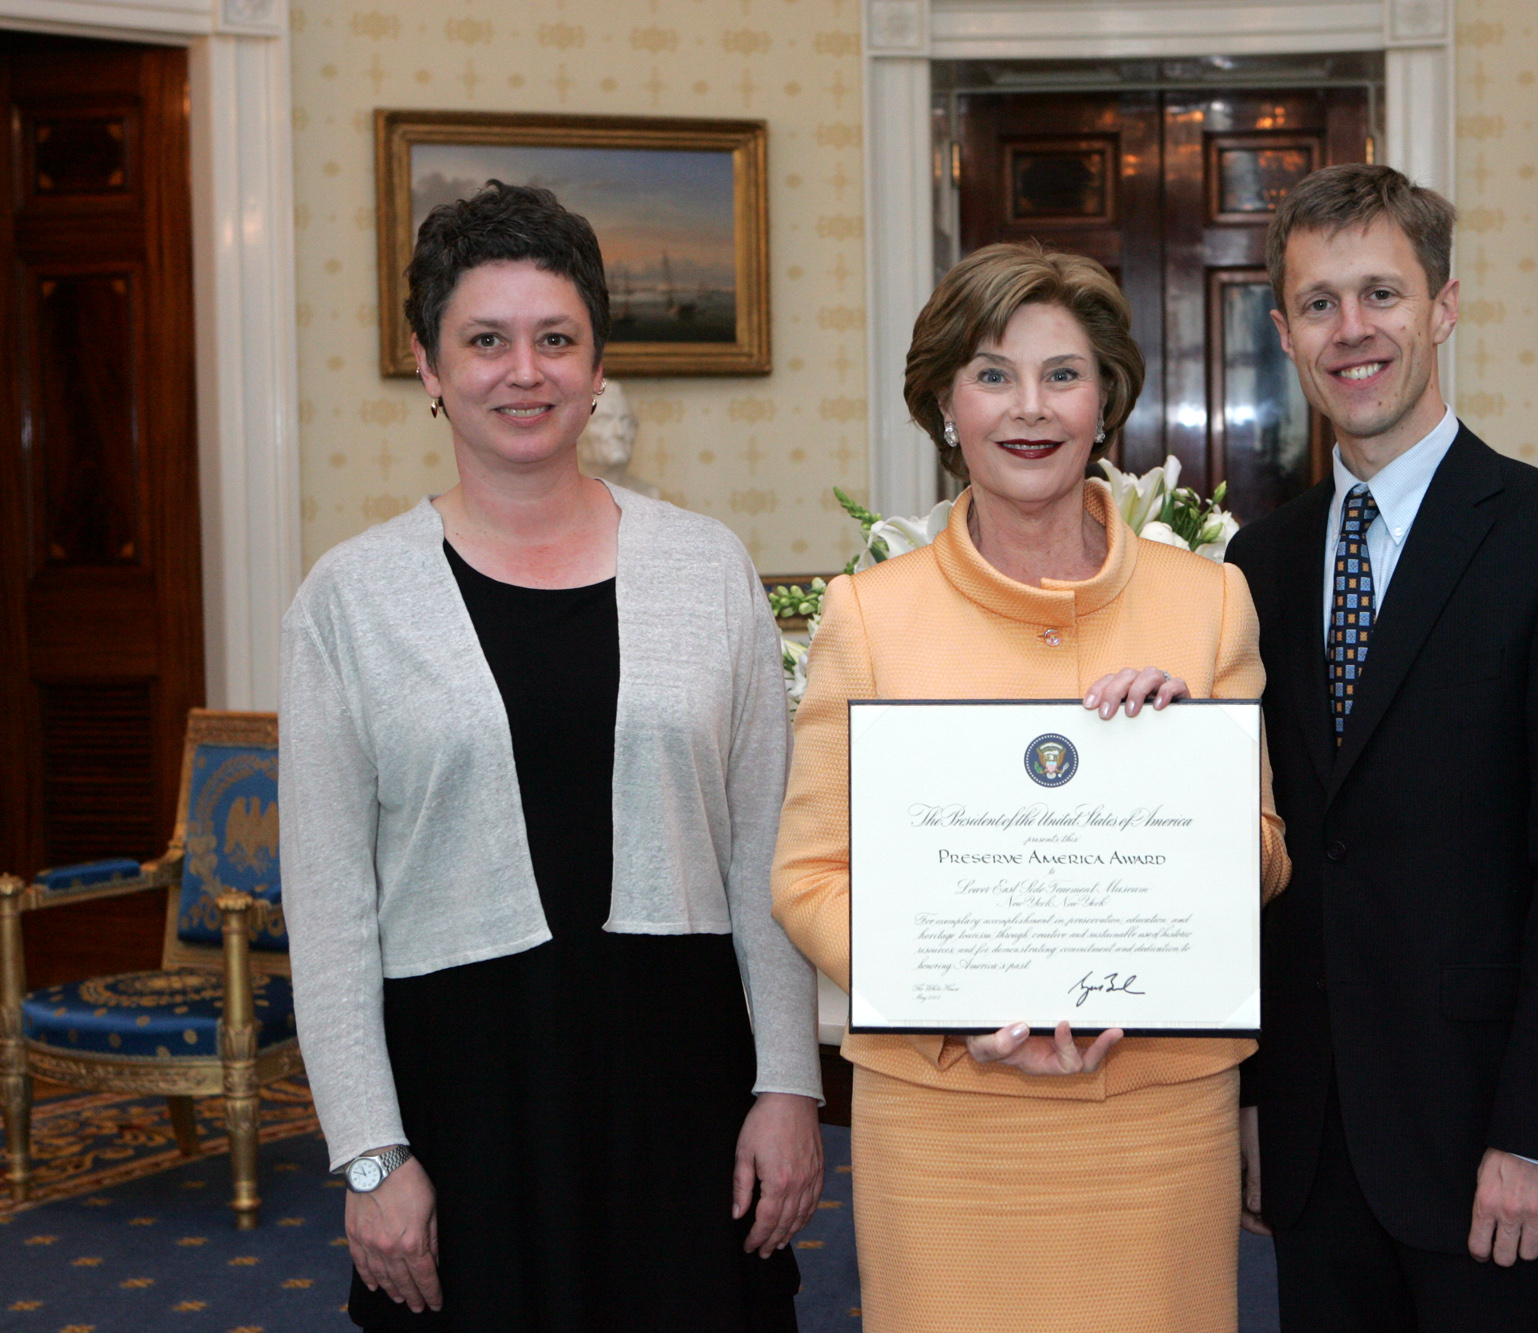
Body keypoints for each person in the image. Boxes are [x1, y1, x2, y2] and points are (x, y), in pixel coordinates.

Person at [281, 181, 823, 1332]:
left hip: (681, 1086)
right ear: (429, 367)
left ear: (595, 363)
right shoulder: (349, 597)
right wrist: (370, 1156)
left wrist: (787, 1083)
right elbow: (328, 907)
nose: (522, 371)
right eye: (484, 340)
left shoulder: (708, 564)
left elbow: (766, 846)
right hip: (463, 1095)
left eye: (554, 339)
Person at [771, 242, 1290, 1331]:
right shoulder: (871, 615)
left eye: (1062, 374)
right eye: (992, 374)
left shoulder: (1208, 603)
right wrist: (955, 994)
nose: (1030, 408)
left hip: (1155, 1115)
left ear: (1105, 400)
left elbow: (1266, 855)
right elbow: (811, 877)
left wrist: (1181, 761)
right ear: (944, 404)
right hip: (946, 1115)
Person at [1225, 163, 1538, 1332]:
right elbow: (1265, 856)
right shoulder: (1253, 567)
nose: (1351, 330)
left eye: (1381, 293)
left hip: (1492, 1147)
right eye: (1318, 303)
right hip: (1314, 1149)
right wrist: (1258, 1102)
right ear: (1283, 331)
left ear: (1444, 305)